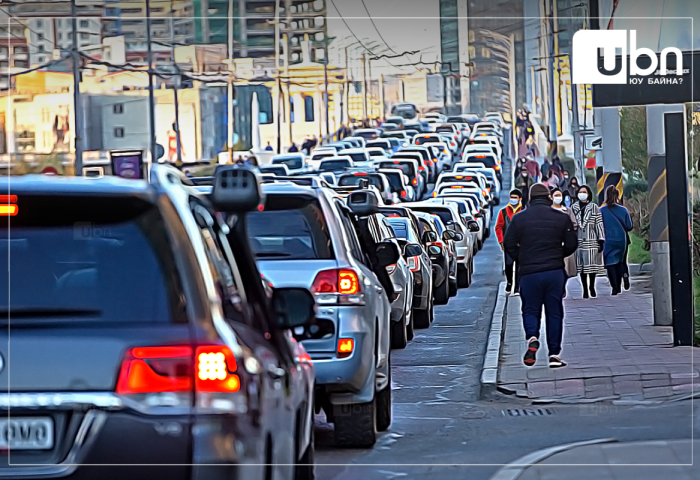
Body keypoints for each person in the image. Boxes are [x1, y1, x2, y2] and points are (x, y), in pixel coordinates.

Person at [503, 183, 578, 368]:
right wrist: (558, 255)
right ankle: (554, 354)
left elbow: (508, 243)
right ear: (549, 197)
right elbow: (572, 244)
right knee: (554, 312)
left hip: (529, 273)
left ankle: (532, 337)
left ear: (530, 197)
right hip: (554, 272)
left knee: (530, 309)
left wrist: (521, 257)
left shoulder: (519, 219)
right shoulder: (561, 218)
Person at [572, 185, 606, 299]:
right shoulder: (574, 207)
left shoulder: (594, 207)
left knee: (591, 266)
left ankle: (591, 286)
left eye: (584, 192)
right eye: (580, 192)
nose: (582, 194)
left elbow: (599, 224)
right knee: (581, 267)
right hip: (579, 241)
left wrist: (601, 240)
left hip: (592, 239)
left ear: (588, 194)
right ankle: (585, 288)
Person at [600, 185, 633, 295]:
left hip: (608, 239)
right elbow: (629, 226)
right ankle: (625, 275)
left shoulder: (601, 211)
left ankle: (615, 287)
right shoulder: (623, 210)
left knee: (610, 263)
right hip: (621, 240)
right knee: (621, 261)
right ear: (617, 195)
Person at [495, 190, 523, 295]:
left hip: (521, 245)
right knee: (508, 264)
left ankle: (517, 287)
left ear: (520, 199)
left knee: (520, 266)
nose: (513, 199)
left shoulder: (523, 211)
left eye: (515, 197)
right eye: (512, 197)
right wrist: (501, 241)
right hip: (508, 244)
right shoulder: (504, 212)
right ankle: (509, 282)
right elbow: (498, 227)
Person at [551, 188, 579, 295]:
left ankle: (563, 286)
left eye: (559, 195)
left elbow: (574, 224)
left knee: (566, 269)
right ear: (551, 197)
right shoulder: (549, 211)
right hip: (553, 243)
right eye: (556, 195)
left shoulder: (567, 210)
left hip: (565, 243)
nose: (558, 197)